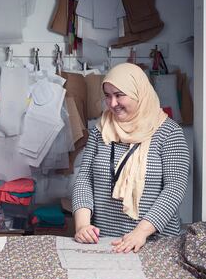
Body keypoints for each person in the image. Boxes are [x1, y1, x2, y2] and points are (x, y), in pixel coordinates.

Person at [73, 62, 189, 253]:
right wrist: (82, 226)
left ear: (139, 93)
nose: (112, 104)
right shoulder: (99, 131)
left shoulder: (169, 133)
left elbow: (174, 189)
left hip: (154, 242)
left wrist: (140, 233)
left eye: (119, 95)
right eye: (108, 96)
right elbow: (85, 179)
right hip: (105, 242)